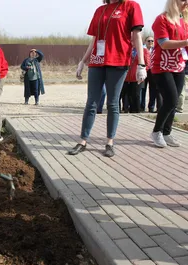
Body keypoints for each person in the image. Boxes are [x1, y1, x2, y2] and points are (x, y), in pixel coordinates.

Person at [70, 0, 146, 157]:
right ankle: (83, 141)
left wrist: (141, 64)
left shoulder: (131, 6)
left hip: (118, 61)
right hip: (97, 61)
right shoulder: (100, 10)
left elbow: (137, 36)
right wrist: (83, 61)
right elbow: (94, 40)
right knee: (91, 101)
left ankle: (110, 142)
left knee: (112, 103)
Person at [150, 0, 188, 148]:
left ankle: (167, 132)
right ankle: (156, 131)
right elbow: (164, 43)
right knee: (171, 100)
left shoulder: (184, 21)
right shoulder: (162, 19)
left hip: (178, 66)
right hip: (162, 66)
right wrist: (185, 42)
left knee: (174, 101)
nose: (186, 2)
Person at [120, 40, 150, 113]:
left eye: (134, 41)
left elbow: (148, 64)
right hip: (126, 77)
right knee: (127, 95)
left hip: (137, 77)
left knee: (136, 95)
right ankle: (126, 110)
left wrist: (142, 70)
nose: (133, 43)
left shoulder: (144, 51)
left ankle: (136, 111)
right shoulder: (127, 49)